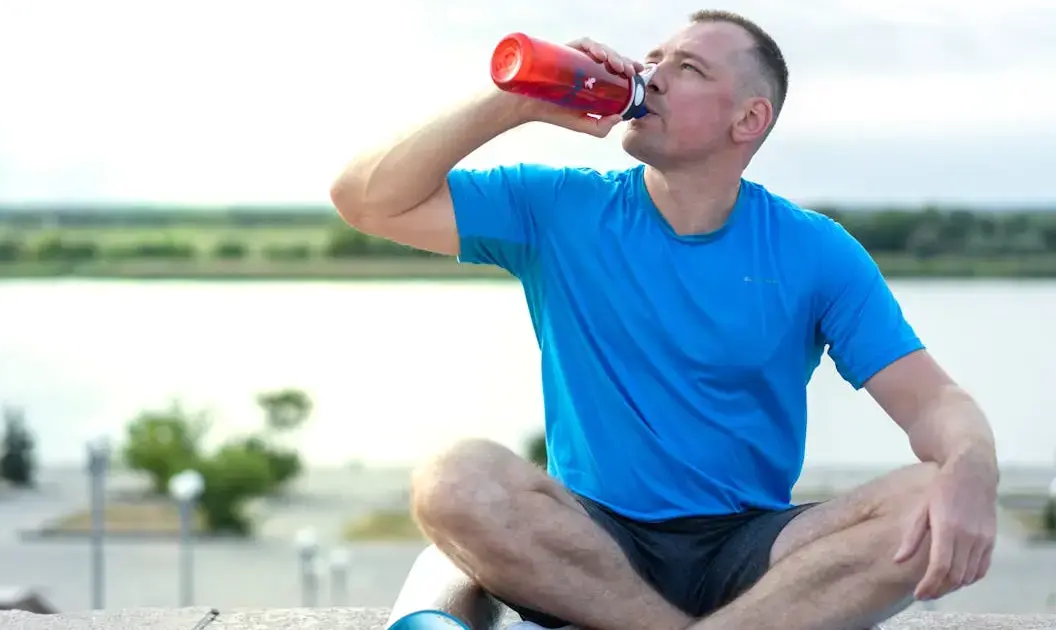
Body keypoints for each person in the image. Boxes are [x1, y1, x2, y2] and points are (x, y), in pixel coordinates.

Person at [330, 9, 1000, 630]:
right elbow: (364, 198)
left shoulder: (814, 250)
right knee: (454, 477)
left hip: (751, 548)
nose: (649, 75)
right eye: (652, 58)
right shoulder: (558, 208)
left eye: (687, 68)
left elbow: (934, 401)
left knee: (929, 497)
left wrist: (972, 466)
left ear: (748, 120)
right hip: (589, 545)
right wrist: (516, 102)